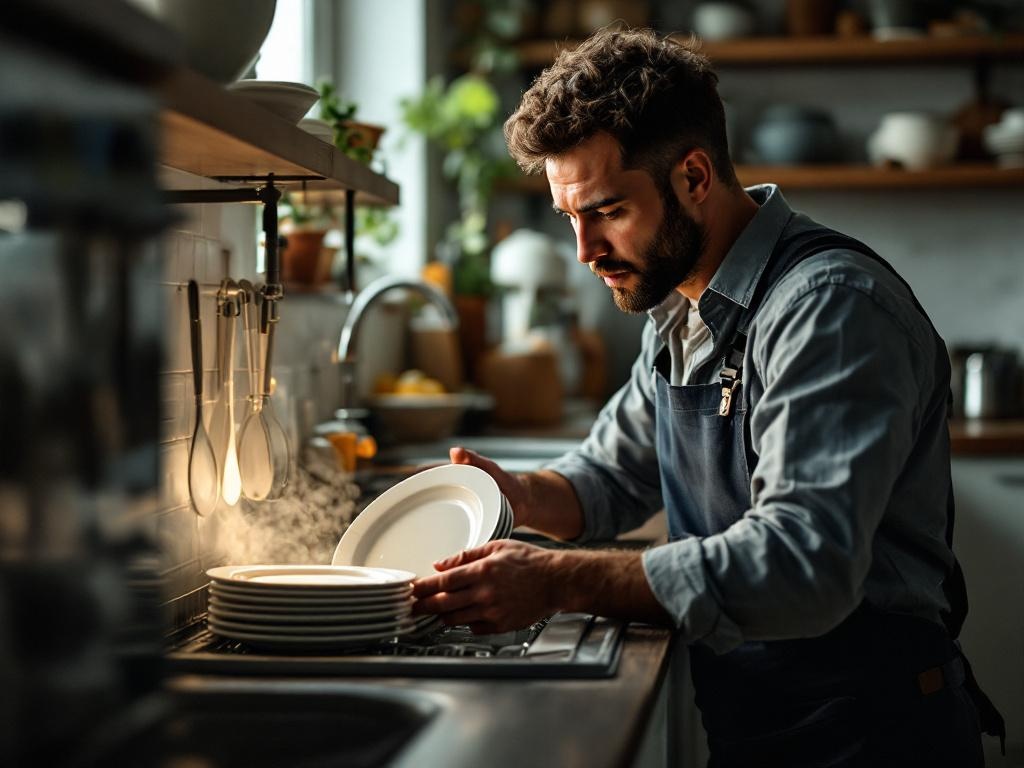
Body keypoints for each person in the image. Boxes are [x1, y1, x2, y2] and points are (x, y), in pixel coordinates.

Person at [412, 27, 1003, 766]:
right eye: (570, 218)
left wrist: (559, 580)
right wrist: (515, 496)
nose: (584, 251)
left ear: (694, 177)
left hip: (872, 731)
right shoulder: (679, 308)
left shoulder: (827, 309)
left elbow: (801, 566)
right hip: (761, 720)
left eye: (607, 211)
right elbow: (613, 473)